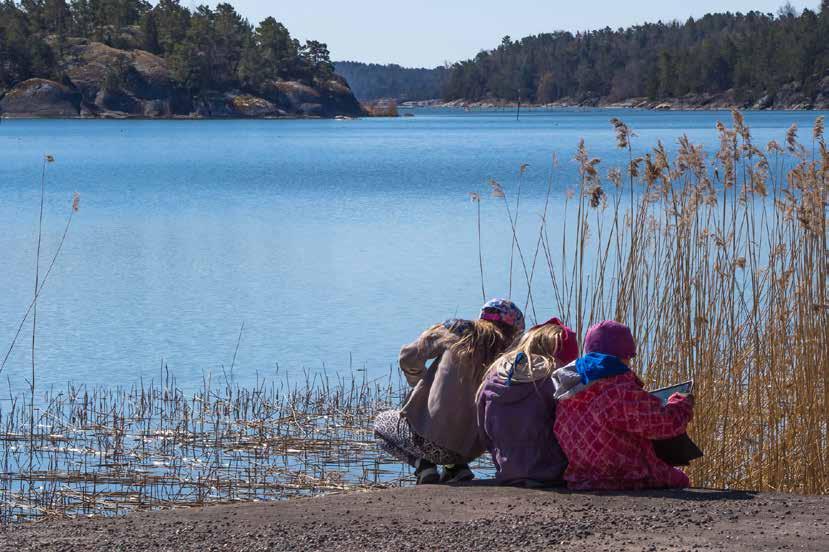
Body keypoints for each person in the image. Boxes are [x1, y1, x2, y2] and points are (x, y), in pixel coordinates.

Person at [374, 299, 524, 484]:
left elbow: (408, 357)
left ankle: (424, 466)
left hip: (430, 442)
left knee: (380, 425)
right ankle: (456, 468)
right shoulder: (514, 353)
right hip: (471, 450)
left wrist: (419, 380)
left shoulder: (458, 329)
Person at [552, 320, 694, 490]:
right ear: (624, 355)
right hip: (627, 477)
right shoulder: (617, 390)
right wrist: (682, 403)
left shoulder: (567, 387)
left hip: (581, 478)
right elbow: (666, 424)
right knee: (681, 479)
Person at [476, 317, 579, 487]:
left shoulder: (495, 373)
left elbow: (483, 431)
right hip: (551, 472)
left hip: (506, 470)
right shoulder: (554, 378)